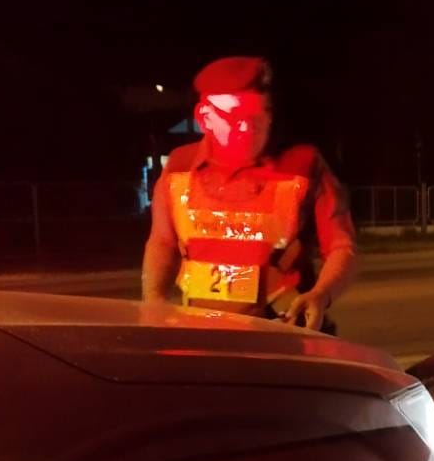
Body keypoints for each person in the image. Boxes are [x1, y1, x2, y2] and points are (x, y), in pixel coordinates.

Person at [142, 56, 356, 331]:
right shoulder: (179, 167)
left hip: (283, 332)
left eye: (258, 117)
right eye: (236, 117)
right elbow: (162, 242)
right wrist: (154, 299)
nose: (248, 128)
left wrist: (321, 295)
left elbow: (341, 247)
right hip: (201, 333)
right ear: (204, 117)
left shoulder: (303, 165)